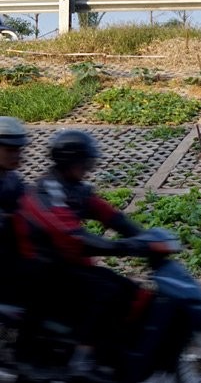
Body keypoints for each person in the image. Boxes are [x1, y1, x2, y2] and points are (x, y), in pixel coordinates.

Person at [14, 129, 155, 381]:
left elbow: (111, 215)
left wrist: (146, 238)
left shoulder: (75, 188)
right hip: (42, 269)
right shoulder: (49, 191)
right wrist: (124, 248)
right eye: (84, 162)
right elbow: (73, 236)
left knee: (128, 289)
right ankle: (83, 357)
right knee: (105, 291)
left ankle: (110, 352)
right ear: (70, 162)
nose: (88, 167)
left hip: (65, 265)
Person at [0, 116, 29, 303]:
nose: (17, 155)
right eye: (10, 150)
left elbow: (30, 202)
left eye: (18, 150)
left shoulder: (11, 179)